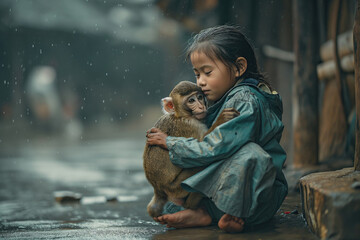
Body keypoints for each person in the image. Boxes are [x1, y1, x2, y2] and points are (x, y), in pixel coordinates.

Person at [146, 25, 288, 233]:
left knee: (251, 155)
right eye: (197, 74)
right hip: (228, 189)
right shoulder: (223, 98)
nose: (201, 82)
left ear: (239, 67)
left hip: (257, 199)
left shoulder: (245, 101)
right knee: (169, 200)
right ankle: (205, 212)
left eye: (208, 72)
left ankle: (230, 213)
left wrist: (171, 143)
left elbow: (216, 146)